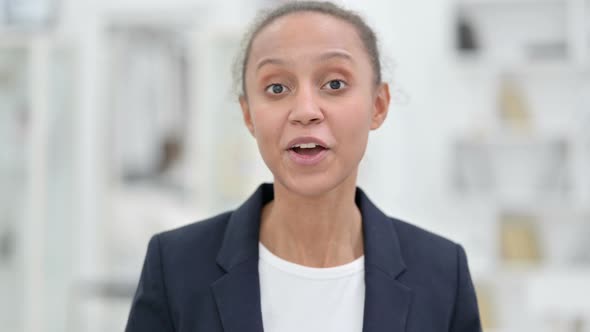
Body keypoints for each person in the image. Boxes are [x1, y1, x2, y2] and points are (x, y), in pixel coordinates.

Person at [125, 1, 482, 332]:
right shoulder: (176, 266)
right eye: (277, 87)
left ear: (378, 105)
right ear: (248, 115)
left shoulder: (441, 272)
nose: (305, 110)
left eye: (335, 84)